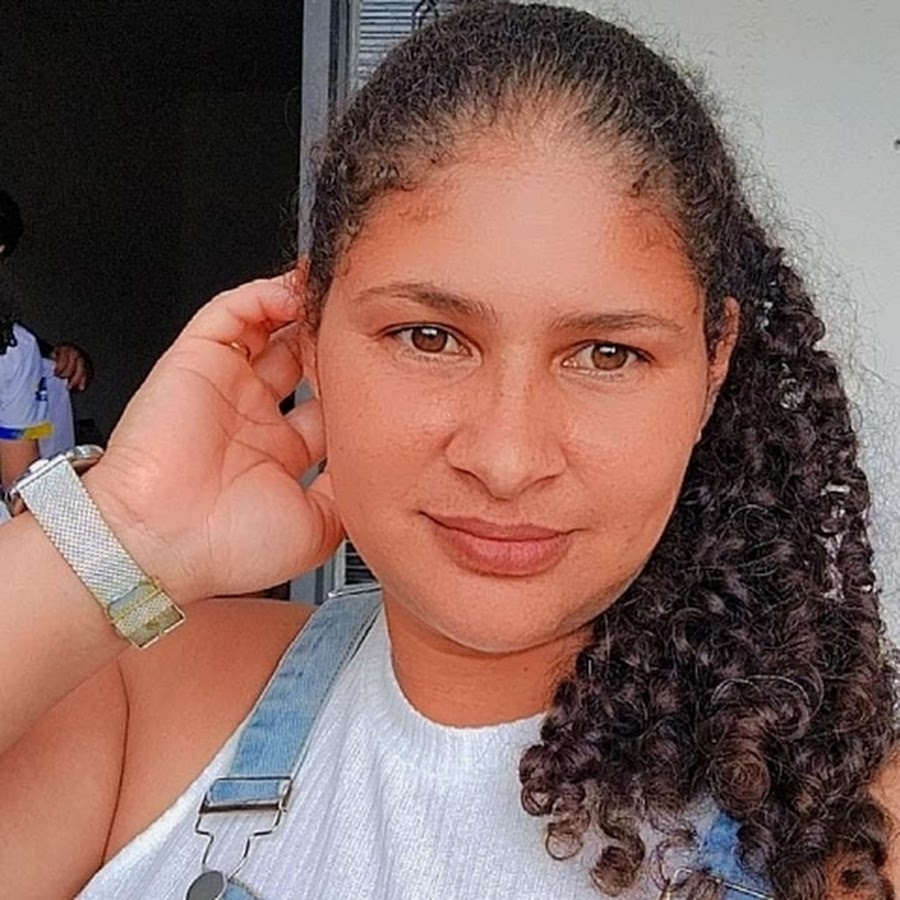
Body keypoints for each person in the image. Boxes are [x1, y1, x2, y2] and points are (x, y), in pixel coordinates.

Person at [0, 4, 897, 898]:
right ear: (309, 332)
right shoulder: (147, 703)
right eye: (429, 337)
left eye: (606, 353)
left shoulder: (845, 824)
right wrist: (126, 527)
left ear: (713, 365)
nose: (506, 460)